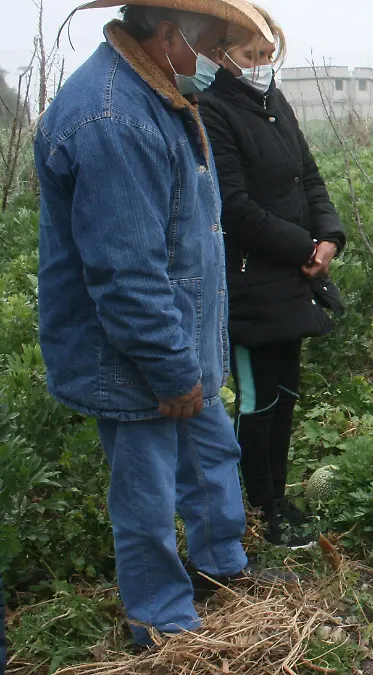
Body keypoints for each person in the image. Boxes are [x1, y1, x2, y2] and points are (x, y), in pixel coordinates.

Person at [36, 1, 283, 645]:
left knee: (210, 455)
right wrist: (172, 368)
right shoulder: (112, 118)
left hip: (176, 336)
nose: (219, 60)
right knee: (145, 492)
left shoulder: (160, 93)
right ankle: (162, 620)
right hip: (132, 352)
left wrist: (190, 356)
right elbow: (127, 273)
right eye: (214, 44)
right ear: (171, 32)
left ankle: (222, 568)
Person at [200, 4, 345, 548]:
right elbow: (234, 206)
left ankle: (275, 500)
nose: (261, 63)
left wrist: (328, 238)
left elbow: (309, 177)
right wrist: (302, 246)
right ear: (222, 56)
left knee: (284, 392)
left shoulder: (274, 102)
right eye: (249, 54)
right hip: (247, 283)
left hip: (291, 278)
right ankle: (256, 512)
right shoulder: (214, 110)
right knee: (256, 400)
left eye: (267, 54)